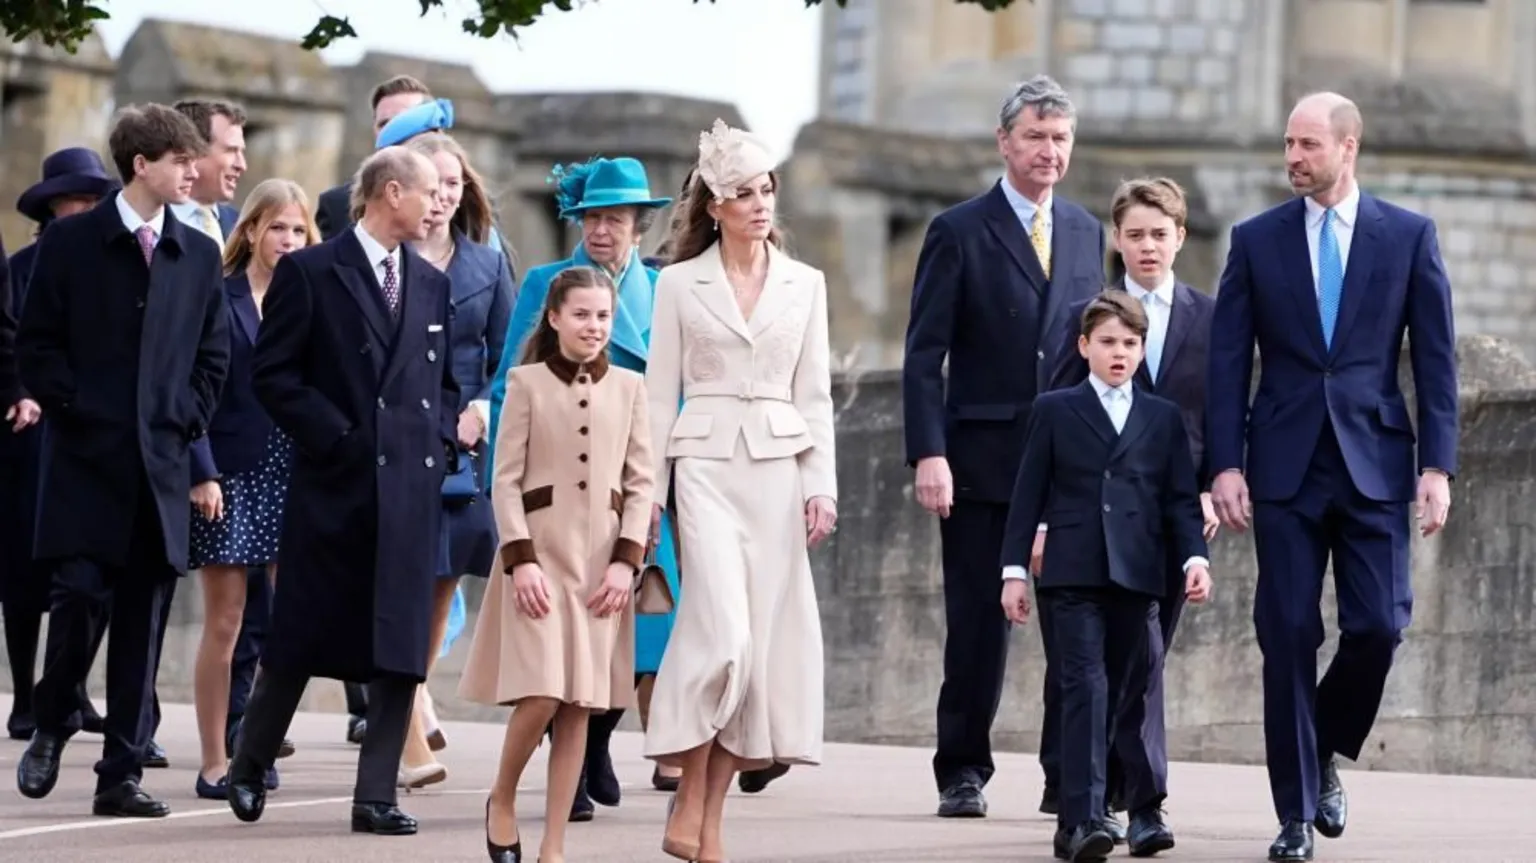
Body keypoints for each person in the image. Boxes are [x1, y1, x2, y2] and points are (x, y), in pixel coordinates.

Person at [1205, 92, 1458, 862]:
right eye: (1287, 142)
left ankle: (1322, 748)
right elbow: (1225, 361)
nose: (1293, 157)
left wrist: (1437, 465)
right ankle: (1293, 817)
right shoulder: (1255, 241)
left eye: (1307, 144)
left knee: (1380, 623)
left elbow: (1439, 361)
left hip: (1374, 463)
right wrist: (1224, 462)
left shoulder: (1409, 236)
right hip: (1281, 468)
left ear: (1348, 147)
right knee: (1285, 633)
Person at [225, 146, 458, 837]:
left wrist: (440, 440)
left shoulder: (431, 281)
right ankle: (248, 762)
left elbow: (443, 384)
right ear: (391, 192)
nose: (438, 204)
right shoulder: (310, 272)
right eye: (428, 193)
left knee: (400, 649)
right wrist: (335, 437)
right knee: (299, 638)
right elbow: (274, 375)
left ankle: (375, 795)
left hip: (410, 494)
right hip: (334, 488)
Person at [14, 103, 230, 817]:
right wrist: (76, 406)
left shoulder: (197, 252)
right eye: (179, 160)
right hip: (83, 461)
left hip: (159, 466)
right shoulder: (72, 243)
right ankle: (52, 719)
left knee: (144, 616)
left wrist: (184, 417)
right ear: (143, 164)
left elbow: (213, 352)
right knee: (77, 598)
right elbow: (35, 344)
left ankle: (121, 773)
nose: (193, 170)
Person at [902, 74, 1107, 819]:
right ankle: (962, 767)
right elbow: (925, 355)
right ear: (1004, 141)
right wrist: (930, 452)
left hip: (1068, 461)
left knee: (1073, 622)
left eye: (1060, 139)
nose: (1049, 152)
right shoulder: (958, 229)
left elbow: (1100, 347)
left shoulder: (1087, 231)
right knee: (979, 626)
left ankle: (1066, 774)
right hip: (981, 460)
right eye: (1035, 137)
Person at [643, 118, 837, 863]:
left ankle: (706, 817)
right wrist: (647, 496)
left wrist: (821, 486)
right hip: (704, 469)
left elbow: (814, 395)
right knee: (719, 637)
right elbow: (661, 396)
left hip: (780, 475)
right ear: (714, 204)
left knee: (757, 657)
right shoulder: (677, 285)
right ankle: (688, 793)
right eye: (742, 193)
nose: (760, 204)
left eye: (766, 190)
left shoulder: (806, 284)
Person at [487, 154, 680, 815]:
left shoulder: (664, 288)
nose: (602, 230)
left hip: (638, 483)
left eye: (615, 219)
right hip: (556, 490)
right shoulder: (546, 281)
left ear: (638, 226)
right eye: (592, 218)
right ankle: (569, 759)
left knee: (636, 631)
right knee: (558, 641)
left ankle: (595, 741)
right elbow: (508, 374)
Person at [999, 291, 1211, 862]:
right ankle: (1083, 820)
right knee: (1083, 689)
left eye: (1131, 343)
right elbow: (1027, 496)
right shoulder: (1055, 408)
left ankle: (1129, 808)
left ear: (1142, 351)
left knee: (1128, 689)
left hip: (1139, 572)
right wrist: (1014, 571)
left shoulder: (1161, 416)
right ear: (1084, 346)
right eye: (1109, 342)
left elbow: (1179, 501)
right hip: (1071, 572)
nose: (1120, 353)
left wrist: (1195, 558)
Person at [1044, 177, 1219, 854]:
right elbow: (1057, 413)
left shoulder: (1210, 316)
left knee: (1144, 664)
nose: (1148, 246)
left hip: (1174, 520)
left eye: (1160, 233)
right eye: (1135, 234)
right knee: (1094, 666)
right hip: (1091, 528)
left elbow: (1224, 409)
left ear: (1181, 237)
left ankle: (1136, 802)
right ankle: (1101, 800)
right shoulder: (1087, 319)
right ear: (1117, 239)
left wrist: (1215, 483)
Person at [461, 265, 654, 863]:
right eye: (581, 315)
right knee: (542, 694)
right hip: (540, 560)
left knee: (580, 706)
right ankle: (502, 796)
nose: (593, 326)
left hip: (601, 568)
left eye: (602, 316)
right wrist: (520, 560)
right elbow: (505, 481)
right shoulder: (524, 384)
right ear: (554, 317)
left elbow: (642, 483)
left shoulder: (630, 388)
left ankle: (553, 847)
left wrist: (626, 562)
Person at [185, 179, 318, 800]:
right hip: (231, 475)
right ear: (252, 232)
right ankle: (214, 760)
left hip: (296, 473)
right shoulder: (218, 295)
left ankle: (255, 750)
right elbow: (191, 388)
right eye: (277, 228)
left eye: (298, 230)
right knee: (226, 623)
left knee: (287, 622)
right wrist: (201, 469)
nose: (287, 241)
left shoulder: (315, 298)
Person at [394, 131, 513, 790]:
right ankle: (407, 724)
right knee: (398, 586)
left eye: (453, 185)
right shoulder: (379, 258)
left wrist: (485, 410)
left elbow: (508, 358)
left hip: (461, 453)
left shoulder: (487, 268)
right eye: (432, 184)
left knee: (440, 588)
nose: (441, 198)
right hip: (392, 445)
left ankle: (413, 694)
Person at [3, 146, 118, 742]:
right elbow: (13, 340)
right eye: (77, 197)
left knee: (90, 573)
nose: (88, 207)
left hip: (91, 435)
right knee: (24, 573)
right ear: (52, 205)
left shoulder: (112, 267)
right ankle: (25, 695)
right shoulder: (20, 269)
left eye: (96, 198)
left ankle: (69, 687)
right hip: (29, 440)